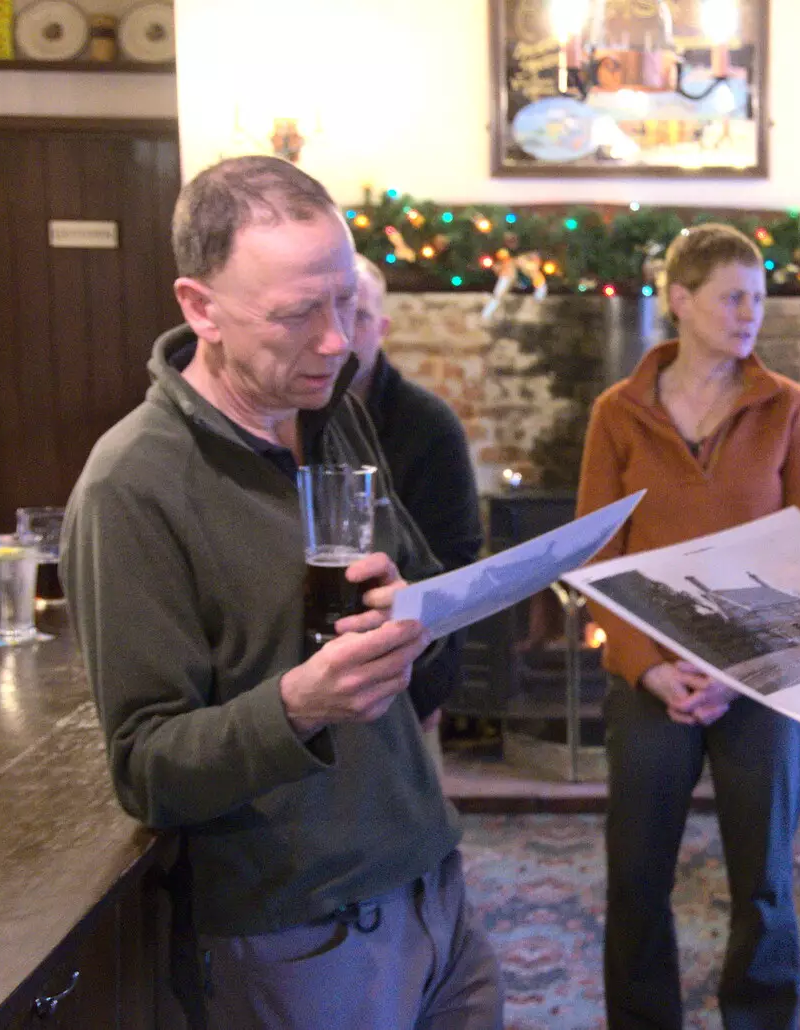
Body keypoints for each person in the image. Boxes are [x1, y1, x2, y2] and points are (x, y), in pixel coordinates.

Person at [61, 155, 502, 1029]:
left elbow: (424, 621)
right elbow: (146, 769)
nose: (338, 340)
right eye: (299, 313)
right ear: (200, 307)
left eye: (344, 302)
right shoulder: (131, 486)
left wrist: (418, 615)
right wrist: (299, 704)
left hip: (430, 878)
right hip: (297, 929)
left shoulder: (332, 409)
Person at [576, 223, 800, 1030]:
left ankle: (760, 1018)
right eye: (733, 297)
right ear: (680, 301)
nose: (749, 313)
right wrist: (649, 666)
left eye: (758, 299)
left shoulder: (788, 407)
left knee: (762, 878)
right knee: (637, 875)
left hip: (761, 680)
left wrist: (740, 669)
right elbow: (595, 556)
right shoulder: (616, 414)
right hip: (651, 679)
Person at [347, 253, 483, 738]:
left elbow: (454, 563)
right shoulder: (288, 422)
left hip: (406, 674)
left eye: (357, 315)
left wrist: (427, 681)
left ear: (381, 327)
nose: (341, 330)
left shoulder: (429, 426)